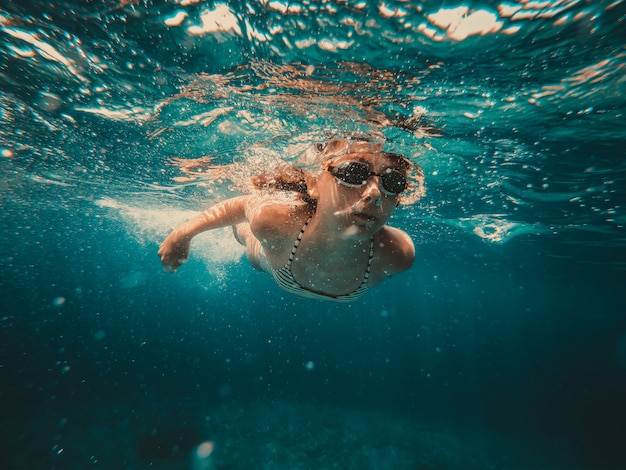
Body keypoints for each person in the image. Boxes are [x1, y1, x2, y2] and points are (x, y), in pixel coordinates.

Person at [158, 137, 424, 302]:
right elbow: (241, 204)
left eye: (393, 182)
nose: (375, 193)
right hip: (276, 262)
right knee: (247, 231)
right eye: (353, 173)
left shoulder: (398, 254)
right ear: (313, 183)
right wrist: (184, 232)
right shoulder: (277, 221)